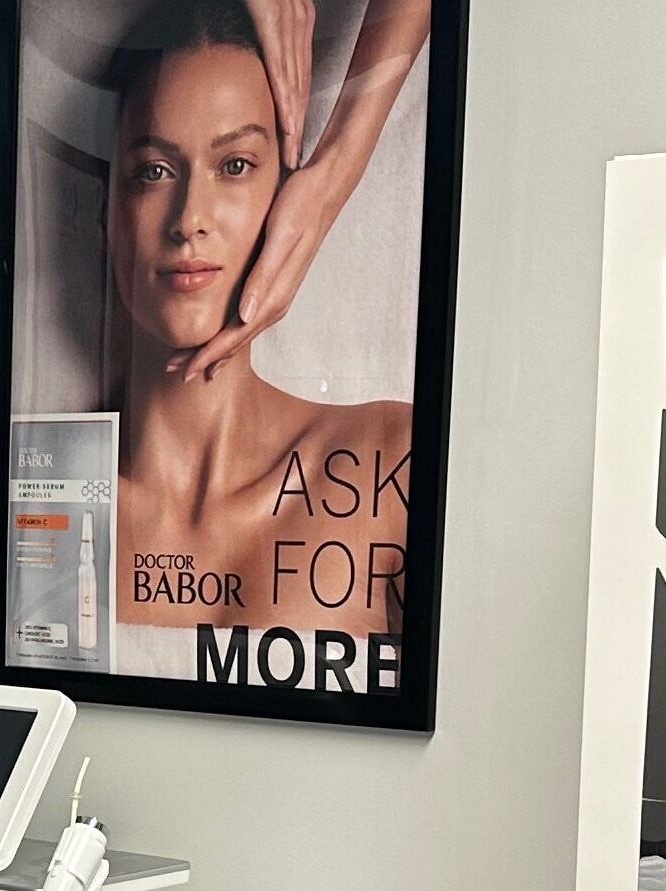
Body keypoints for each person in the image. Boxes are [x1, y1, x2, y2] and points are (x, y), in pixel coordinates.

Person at [101, 0, 429, 640]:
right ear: (104, 215)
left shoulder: (390, 460)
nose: (190, 217)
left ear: (287, 204)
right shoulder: (41, 493)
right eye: (153, 171)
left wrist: (336, 170)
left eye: (235, 166)